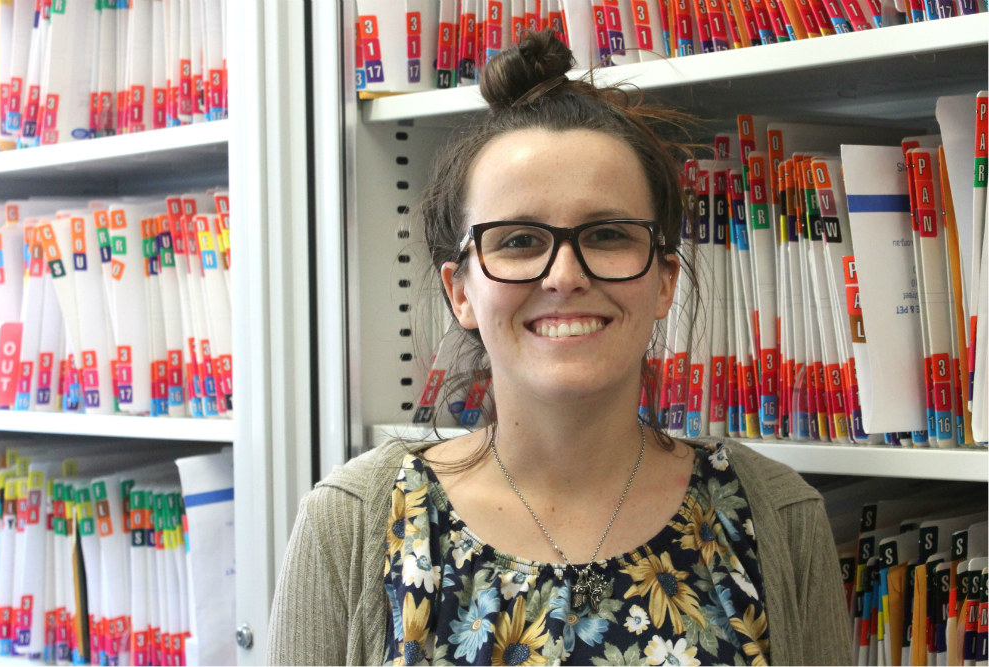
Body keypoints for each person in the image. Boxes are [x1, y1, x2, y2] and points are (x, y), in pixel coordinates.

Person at [267, 30, 851, 666]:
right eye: (518, 240)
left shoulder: (778, 518)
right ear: (460, 291)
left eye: (605, 234)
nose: (565, 275)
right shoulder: (349, 524)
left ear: (663, 281)